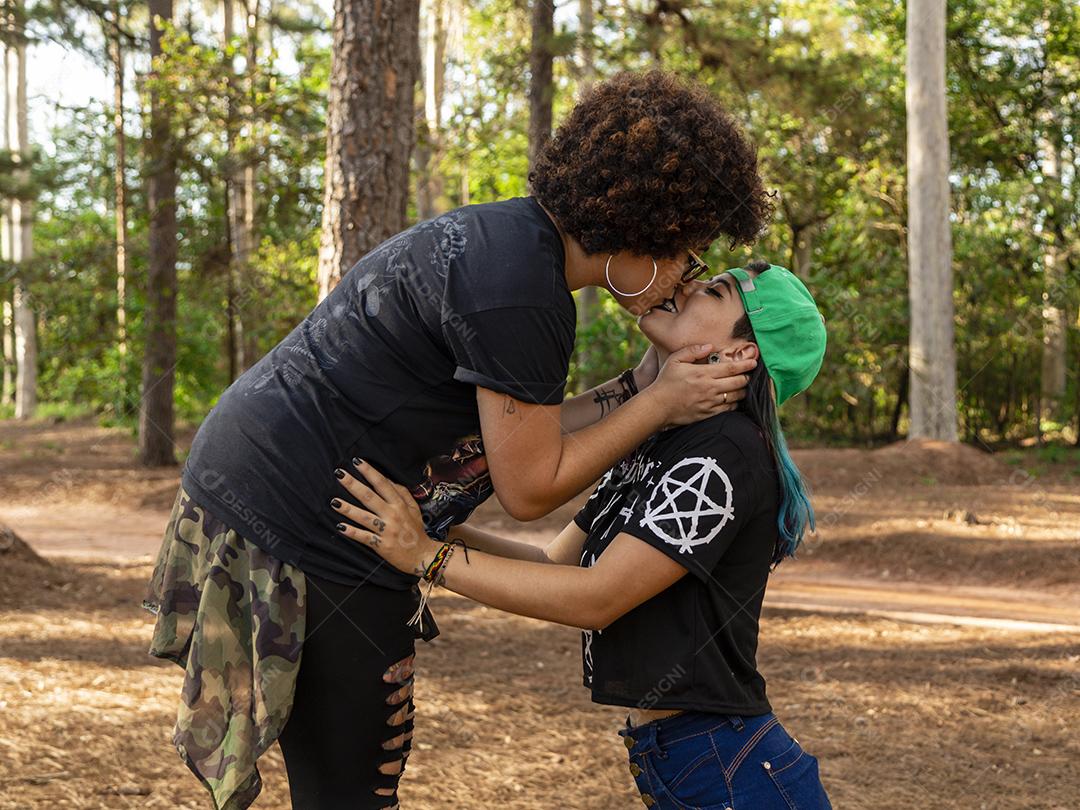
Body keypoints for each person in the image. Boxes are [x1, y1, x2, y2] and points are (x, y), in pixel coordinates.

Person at [142, 68, 774, 810]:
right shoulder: (524, 296)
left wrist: (636, 391)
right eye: (688, 253)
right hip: (311, 518)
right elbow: (530, 486)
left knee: (345, 780)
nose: (682, 278)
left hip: (272, 483)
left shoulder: (513, 244)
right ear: (650, 225)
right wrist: (662, 401)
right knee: (356, 787)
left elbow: (517, 434)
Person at [331, 260, 833, 809]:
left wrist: (426, 558)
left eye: (714, 291)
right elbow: (558, 566)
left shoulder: (727, 451)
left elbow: (599, 598)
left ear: (742, 353)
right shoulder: (662, 438)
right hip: (688, 757)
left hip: (729, 766)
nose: (686, 286)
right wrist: (430, 528)